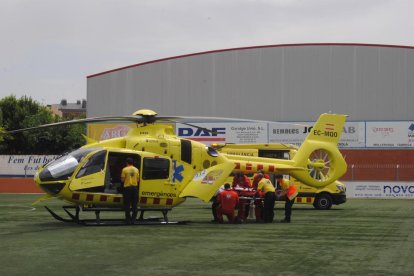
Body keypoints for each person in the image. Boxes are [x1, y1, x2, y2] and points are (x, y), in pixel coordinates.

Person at [121, 157, 140, 224]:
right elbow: (138, 180)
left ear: (127, 163)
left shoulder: (124, 169)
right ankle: (133, 219)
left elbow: (122, 180)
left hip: (127, 188)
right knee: (134, 204)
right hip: (134, 188)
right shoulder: (136, 169)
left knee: (127, 204)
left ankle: (128, 220)